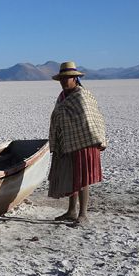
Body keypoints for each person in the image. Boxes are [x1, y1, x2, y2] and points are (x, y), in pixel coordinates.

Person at [48, 61, 107, 224]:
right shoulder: (62, 97)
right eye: (61, 79)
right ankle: (71, 211)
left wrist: (97, 139)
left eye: (67, 78)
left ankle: (83, 214)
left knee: (82, 178)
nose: (63, 82)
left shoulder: (81, 96)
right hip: (67, 142)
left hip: (84, 142)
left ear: (75, 78)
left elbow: (90, 119)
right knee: (71, 176)